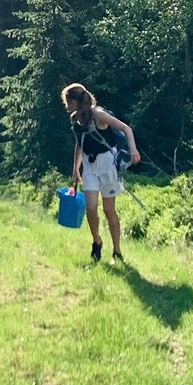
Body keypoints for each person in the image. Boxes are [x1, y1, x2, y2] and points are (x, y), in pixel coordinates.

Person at [62, 82, 140, 264]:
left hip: (107, 164)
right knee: (90, 207)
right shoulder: (75, 119)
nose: (66, 106)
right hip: (89, 166)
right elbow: (79, 144)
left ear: (75, 101)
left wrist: (133, 150)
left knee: (108, 209)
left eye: (68, 102)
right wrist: (76, 169)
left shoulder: (98, 115)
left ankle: (117, 251)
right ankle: (97, 241)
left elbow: (125, 128)